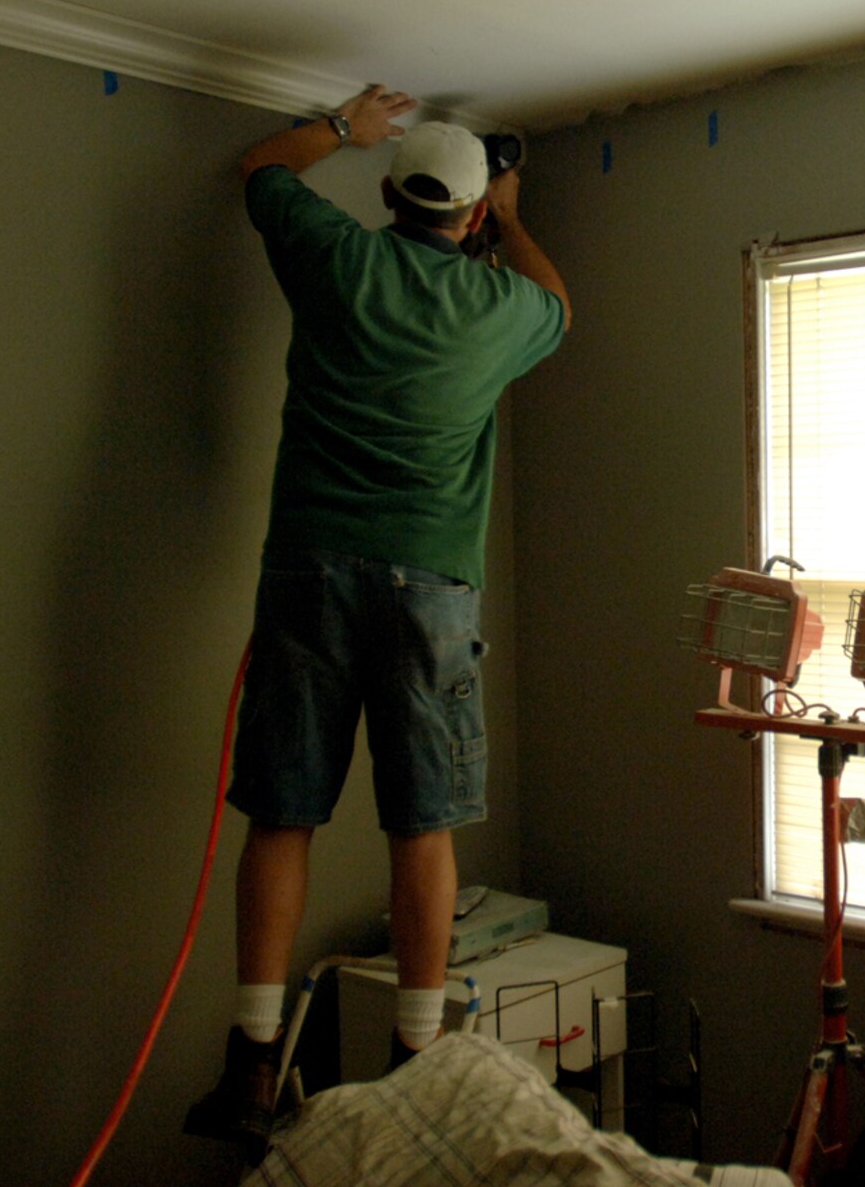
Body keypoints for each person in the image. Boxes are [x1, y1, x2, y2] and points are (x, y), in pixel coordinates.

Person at [184, 85, 570, 1152]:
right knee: (422, 819)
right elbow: (557, 300)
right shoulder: (500, 308)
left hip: (307, 569)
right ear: (471, 216)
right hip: (428, 588)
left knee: (282, 812)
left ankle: (253, 1061)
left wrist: (345, 128)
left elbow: (262, 170)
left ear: (392, 198)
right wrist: (515, 209)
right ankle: (416, 1051)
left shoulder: (340, 261)